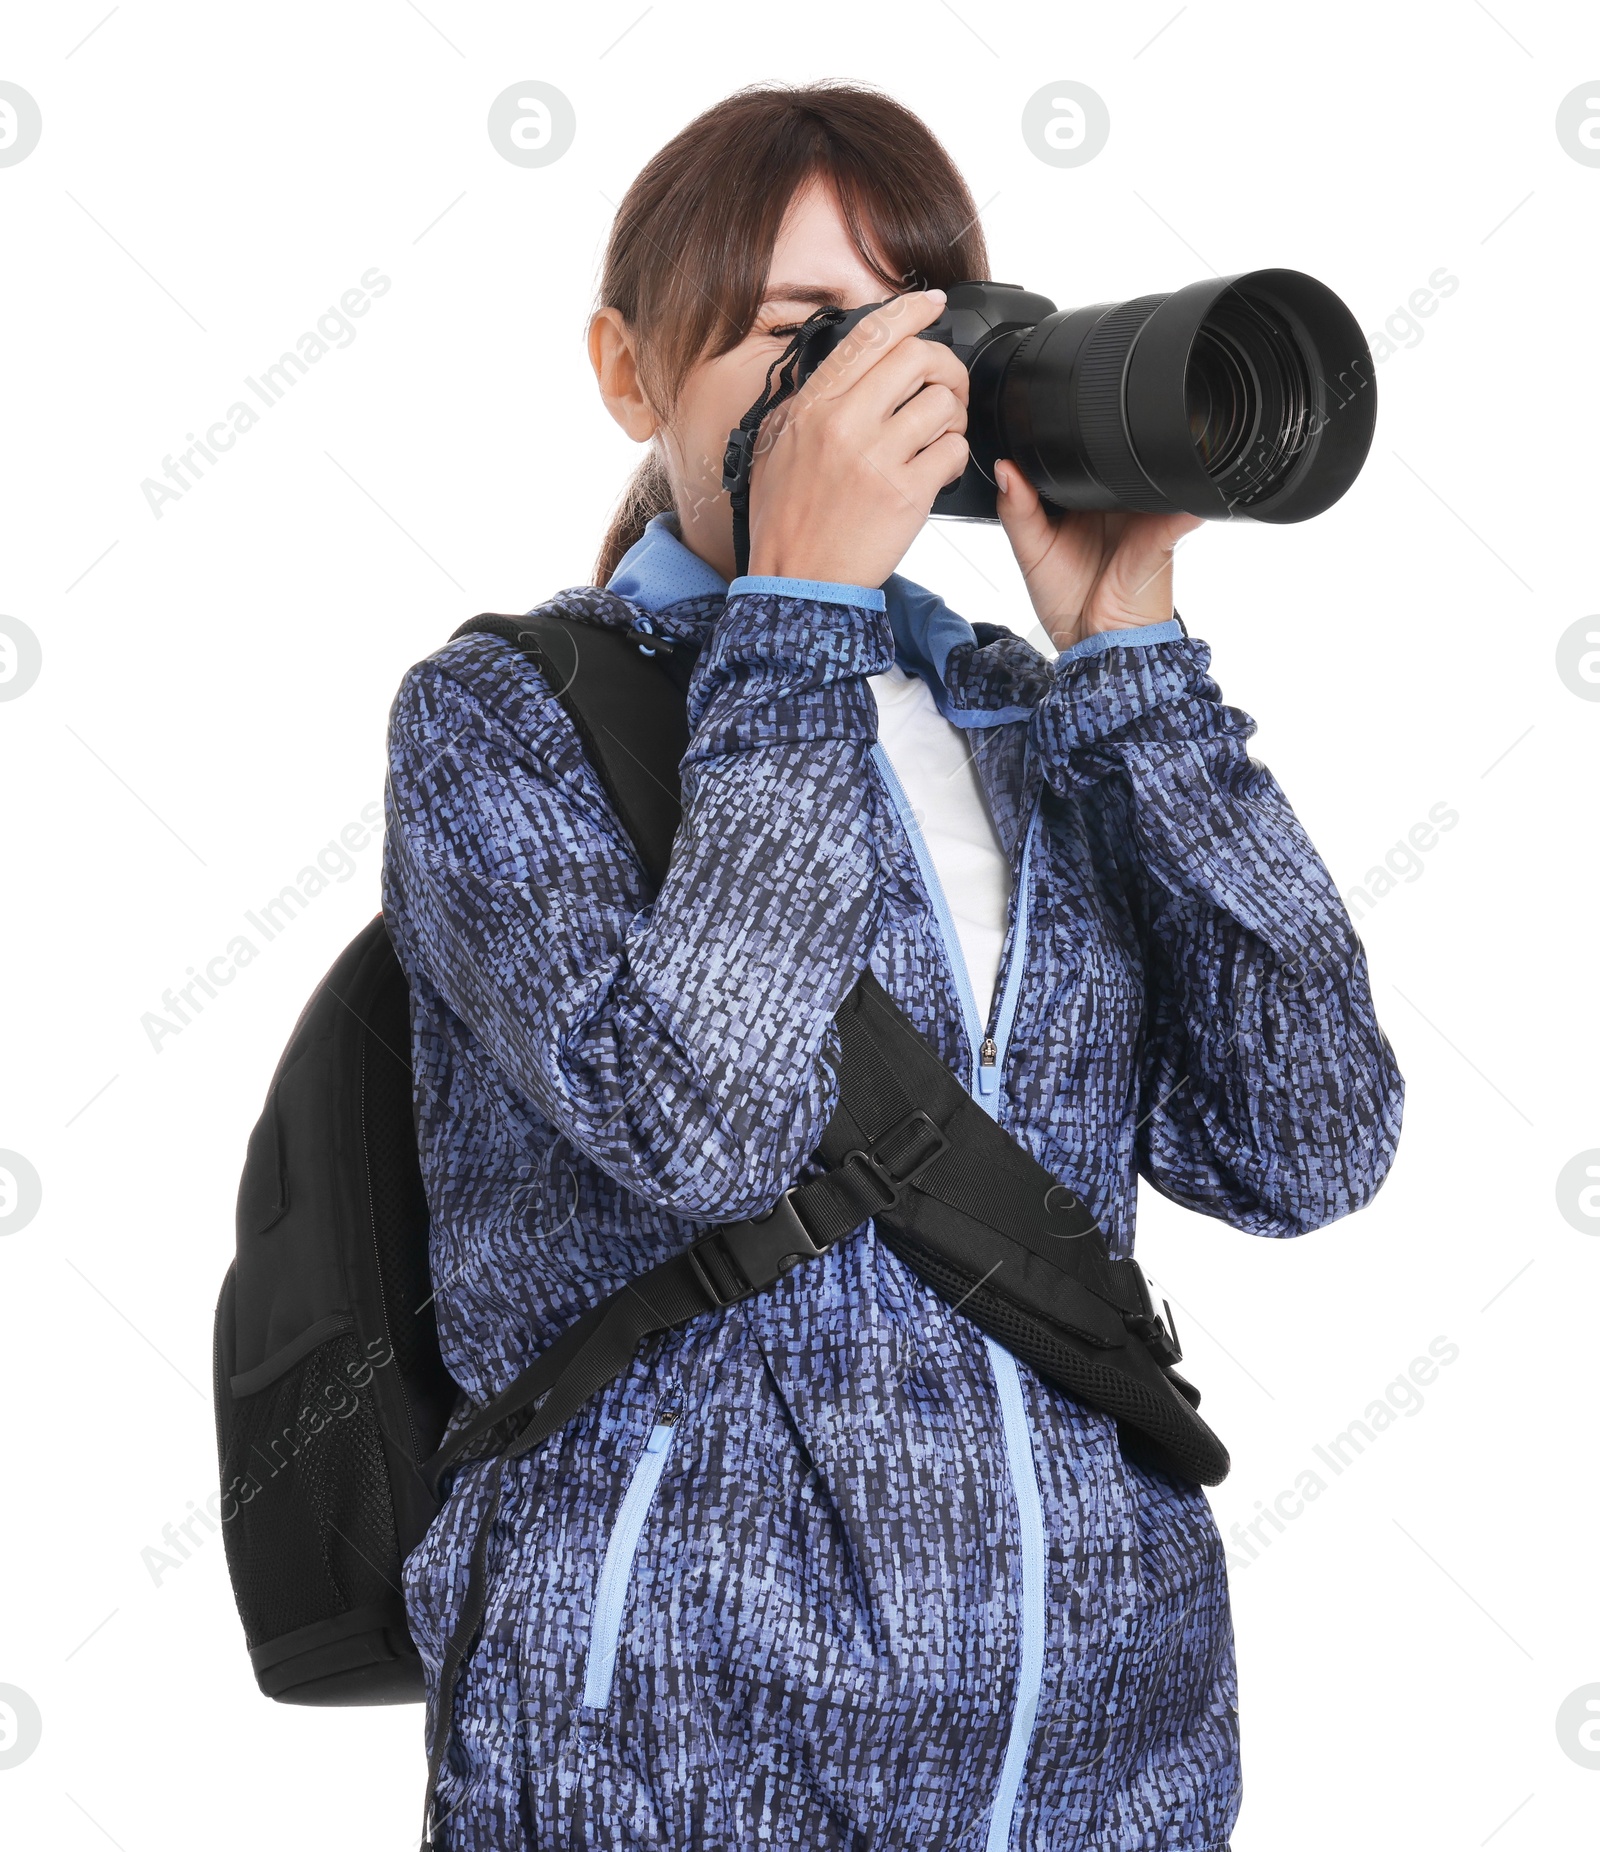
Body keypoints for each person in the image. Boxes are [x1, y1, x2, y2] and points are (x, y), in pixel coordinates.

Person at [381, 81, 1403, 1852]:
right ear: (630, 372)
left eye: (914, 334)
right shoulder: (504, 723)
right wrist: (795, 618)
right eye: (802, 338)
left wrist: (1133, 668)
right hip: (679, 1762)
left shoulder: (1024, 713)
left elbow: (1309, 1147)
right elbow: (701, 1129)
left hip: (1110, 1752)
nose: (873, 390)